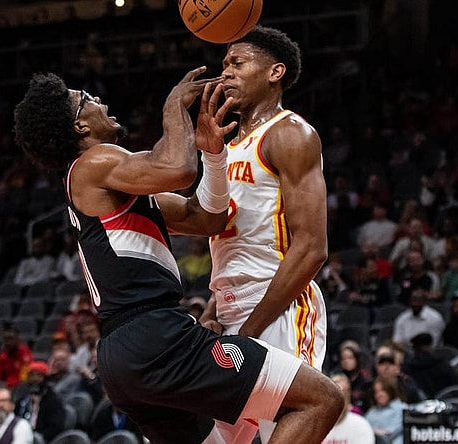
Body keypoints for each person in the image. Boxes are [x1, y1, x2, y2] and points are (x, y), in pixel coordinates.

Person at [12, 61, 342, 442]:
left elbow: (204, 218)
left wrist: (213, 155)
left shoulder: (116, 187)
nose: (100, 100)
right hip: (156, 337)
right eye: (87, 100)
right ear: (80, 127)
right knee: (321, 400)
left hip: (125, 357)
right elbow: (178, 169)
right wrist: (173, 107)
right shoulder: (93, 162)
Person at [195, 26, 332, 442]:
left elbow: (312, 248)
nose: (226, 74)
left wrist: (250, 332)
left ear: (275, 72)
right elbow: (228, 240)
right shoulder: (224, 147)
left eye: (238, 63)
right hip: (232, 309)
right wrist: (215, 308)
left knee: (295, 419)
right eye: (224, 66)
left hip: (280, 309)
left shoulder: (291, 134)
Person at [13, 361, 65, 443]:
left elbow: (54, 427)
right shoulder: (23, 398)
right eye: (31, 375)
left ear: (45, 378)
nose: (35, 379)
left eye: (39, 375)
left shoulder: (54, 400)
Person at [322, 373, 374, 444]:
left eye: (345, 393)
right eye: (335, 393)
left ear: (349, 397)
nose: (341, 398)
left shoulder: (360, 425)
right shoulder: (317, 427)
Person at [365, 376, 407, 444]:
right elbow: (363, 430)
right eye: (376, 392)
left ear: (390, 390)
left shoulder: (402, 409)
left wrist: (372, 432)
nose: (379, 395)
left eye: (382, 390)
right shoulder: (371, 412)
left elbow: (389, 432)